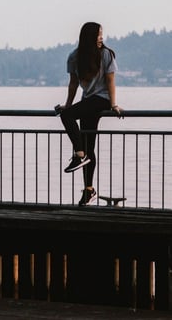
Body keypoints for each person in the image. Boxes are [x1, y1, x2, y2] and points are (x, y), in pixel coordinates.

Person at [56, 22, 123, 206]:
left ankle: (79, 154)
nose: (102, 37)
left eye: (102, 34)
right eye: (99, 34)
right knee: (88, 144)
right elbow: (73, 83)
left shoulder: (106, 54)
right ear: (89, 37)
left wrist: (113, 104)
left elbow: (110, 80)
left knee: (67, 117)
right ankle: (89, 190)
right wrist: (67, 104)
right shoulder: (75, 56)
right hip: (87, 100)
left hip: (101, 99)